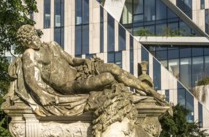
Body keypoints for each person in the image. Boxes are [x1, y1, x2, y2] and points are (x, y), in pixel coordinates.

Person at [16, 24, 164, 106]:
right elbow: (30, 79)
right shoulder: (30, 54)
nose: (32, 42)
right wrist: (42, 96)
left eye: (33, 37)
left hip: (78, 71)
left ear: (36, 34)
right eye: (28, 41)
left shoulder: (52, 45)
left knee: (113, 68)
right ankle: (130, 97)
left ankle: (148, 90)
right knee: (107, 78)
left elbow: (72, 60)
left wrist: (85, 61)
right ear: (25, 44)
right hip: (70, 85)